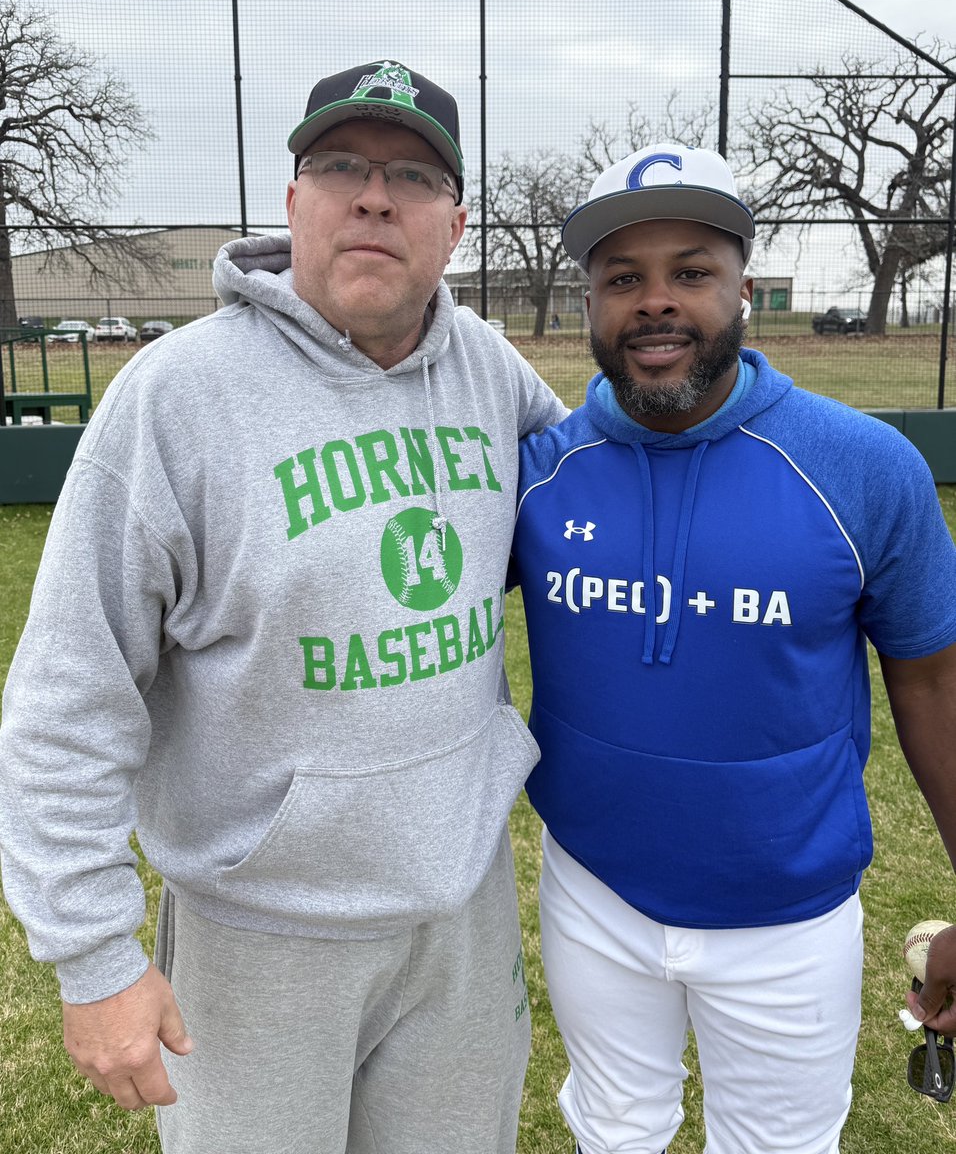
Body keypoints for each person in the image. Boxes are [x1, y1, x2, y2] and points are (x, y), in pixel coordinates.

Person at [0, 60, 565, 1154]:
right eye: (340, 165)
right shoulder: (177, 397)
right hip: (256, 932)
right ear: (294, 200)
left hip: (458, 912)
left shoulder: (490, 372)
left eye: (410, 175)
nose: (372, 196)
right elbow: (71, 695)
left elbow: (602, 497)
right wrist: (94, 955)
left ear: (455, 225)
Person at [509, 143, 956, 1154]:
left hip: (785, 911)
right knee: (613, 1131)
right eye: (622, 278)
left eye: (690, 272)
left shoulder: (862, 467)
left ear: (742, 288)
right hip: (592, 886)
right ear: (586, 301)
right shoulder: (537, 469)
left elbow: (933, 681)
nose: (654, 303)